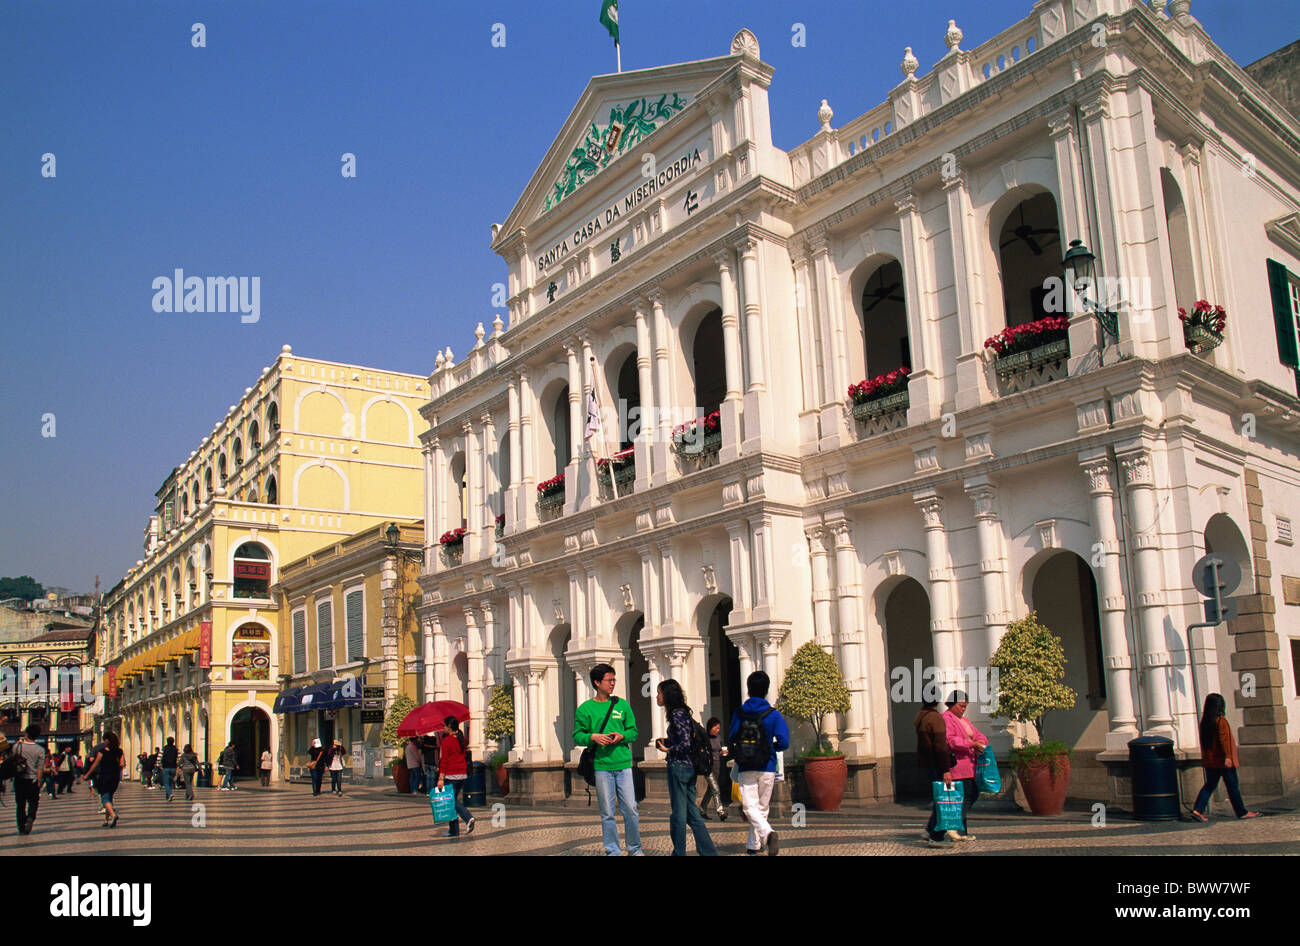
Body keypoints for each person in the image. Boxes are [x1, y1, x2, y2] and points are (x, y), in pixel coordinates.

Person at [574, 663, 641, 856]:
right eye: (609, 680)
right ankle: (613, 851)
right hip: (601, 766)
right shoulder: (585, 709)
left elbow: (633, 731)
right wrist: (593, 737)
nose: (612, 683)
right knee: (607, 813)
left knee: (631, 809)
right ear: (597, 682)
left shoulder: (622, 705)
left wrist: (621, 736)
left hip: (623, 765)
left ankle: (635, 849)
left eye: (614, 679)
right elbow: (578, 735)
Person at [728, 670, 791, 856]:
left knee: (749, 807)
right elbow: (784, 742)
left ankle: (764, 836)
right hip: (767, 765)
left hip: (746, 765)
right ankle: (755, 844)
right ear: (766, 690)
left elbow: (732, 736)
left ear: (748, 689)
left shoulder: (739, 713)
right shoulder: (773, 714)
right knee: (761, 807)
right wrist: (771, 747)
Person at [654, 679, 717, 856]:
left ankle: (679, 852)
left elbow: (685, 744)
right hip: (688, 768)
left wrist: (669, 749)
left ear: (666, 695)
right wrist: (666, 742)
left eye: (659, 693)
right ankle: (709, 852)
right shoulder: (683, 713)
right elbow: (685, 739)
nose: (657, 696)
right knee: (692, 814)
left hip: (679, 767)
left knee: (678, 815)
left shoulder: (677, 714)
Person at [1191, 693, 1261, 822]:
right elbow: (1224, 740)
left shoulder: (1205, 722)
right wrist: (1228, 757)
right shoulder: (1220, 721)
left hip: (1211, 761)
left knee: (1209, 786)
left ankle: (1198, 809)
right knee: (1232, 786)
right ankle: (1241, 812)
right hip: (1223, 761)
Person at [942, 690, 987, 842]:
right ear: (952, 704)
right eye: (961, 706)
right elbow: (951, 740)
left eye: (965, 706)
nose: (963, 709)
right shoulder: (947, 719)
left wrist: (981, 742)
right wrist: (971, 744)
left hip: (970, 765)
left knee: (967, 796)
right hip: (958, 766)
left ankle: (961, 830)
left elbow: (978, 734)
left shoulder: (964, 720)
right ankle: (954, 826)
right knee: (967, 795)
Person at [915, 696, 954, 848]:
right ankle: (936, 836)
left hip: (927, 764)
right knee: (944, 800)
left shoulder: (920, 716)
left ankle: (930, 829)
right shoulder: (935, 718)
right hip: (937, 765)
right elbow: (940, 746)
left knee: (939, 799)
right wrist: (946, 770)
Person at [435, 717, 476, 837]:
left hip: (451, 775)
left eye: (444, 726)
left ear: (449, 727)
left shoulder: (447, 741)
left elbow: (445, 761)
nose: (443, 728)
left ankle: (468, 818)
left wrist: (441, 778)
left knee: (450, 801)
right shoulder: (462, 739)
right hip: (462, 774)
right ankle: (454, 830)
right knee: (451, 801)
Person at [82, 731, 123, 828]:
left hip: (104, 776)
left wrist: (87, 774)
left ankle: (113, 815)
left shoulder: (102, 752)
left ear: (107, 740)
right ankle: (106, 820)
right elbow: (122, 764)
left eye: (104, 740)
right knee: (110, 797)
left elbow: (95, 764)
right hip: (115, 777)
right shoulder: (119, 751)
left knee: (104, 798)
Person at [12, 725, 46, 835]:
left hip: (19, 779)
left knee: (20, 804)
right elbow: (40, 768)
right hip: (32, 780)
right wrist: (38, 782)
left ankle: (21, 827)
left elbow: (13, 761)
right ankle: (31, 817)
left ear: (26, 734)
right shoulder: (40, 750)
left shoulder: (17, 747)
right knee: (33, 802)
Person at [697, 717, 728, 821]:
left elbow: (719, 750)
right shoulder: (705, 737)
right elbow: (701, 751)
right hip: (708, 766)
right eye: (716, 728)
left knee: (710, 790)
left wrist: (722, 753)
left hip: (717, 765)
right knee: (716, 789)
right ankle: (721, 811)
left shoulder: (718, 738)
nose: (718, 730)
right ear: (711, 727)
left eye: (719, 728)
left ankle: (702, 809)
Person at [160, 738, 179, 802]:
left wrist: (160, 766)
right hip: (173, 767)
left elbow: (160, 758)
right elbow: (178, 758)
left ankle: (170, 794)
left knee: (166, 783)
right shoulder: (176, 749)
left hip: (166, 767)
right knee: (170, 782)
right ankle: (168, 797)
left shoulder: (164, 749)